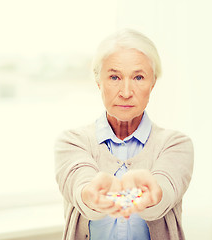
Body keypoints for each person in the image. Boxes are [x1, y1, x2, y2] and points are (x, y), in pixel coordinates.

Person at [54, 29, 194, 240]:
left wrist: (152, 192)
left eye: (138, 77)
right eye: (114, 77)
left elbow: (165, 190)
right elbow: (80, 185)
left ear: (153, 83)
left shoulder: (176, 144)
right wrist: (92, 194)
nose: (126, 92)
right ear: (98, 81)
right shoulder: (72, 142)